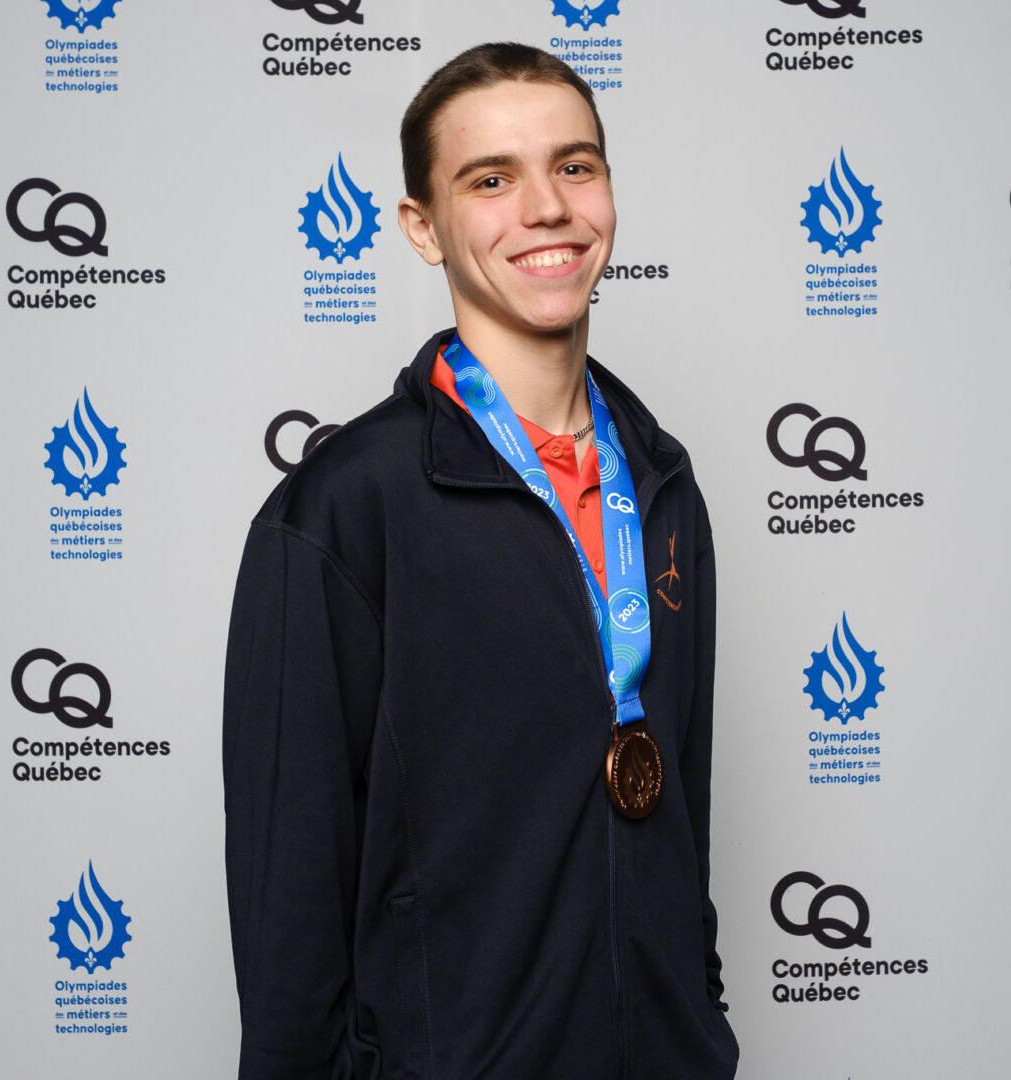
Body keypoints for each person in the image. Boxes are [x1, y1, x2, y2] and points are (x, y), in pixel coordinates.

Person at [223, 42, 738, 1079]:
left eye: (575, 166)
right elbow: (289, 916)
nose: (546, 208)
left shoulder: (665, 486)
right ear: (424, 228)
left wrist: (702, 1026)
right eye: (491, 179)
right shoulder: (340, 512)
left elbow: (681, 815)